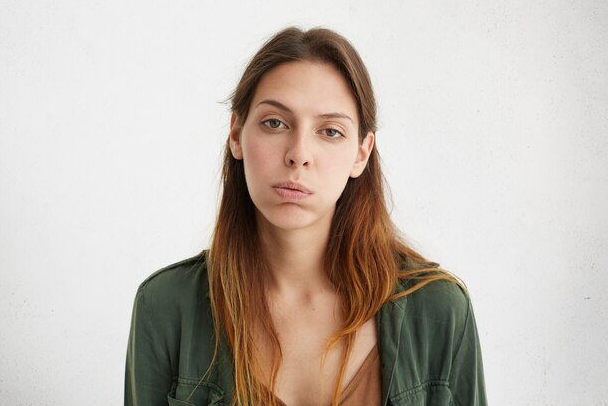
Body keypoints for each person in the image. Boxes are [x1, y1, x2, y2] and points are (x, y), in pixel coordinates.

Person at [125, 27, 487, 406]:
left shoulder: (440, 311)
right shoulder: (165, 307)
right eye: (275, 123)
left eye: (330, 131)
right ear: (236, 134)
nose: (299, 154)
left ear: (361, 154)